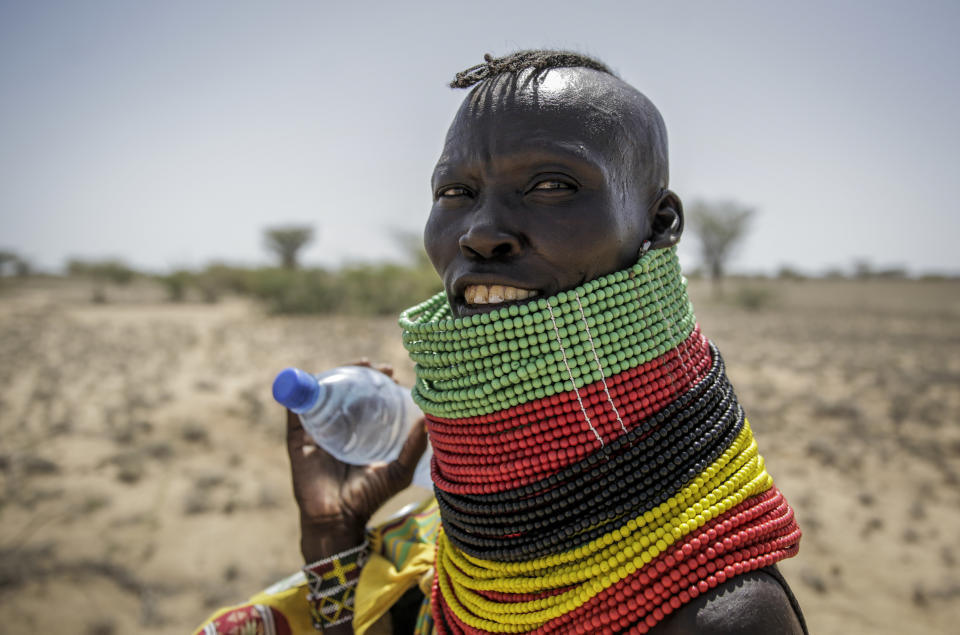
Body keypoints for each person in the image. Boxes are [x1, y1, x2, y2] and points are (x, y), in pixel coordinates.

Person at [195, 50, 806, 635]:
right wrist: (332, 536)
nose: (480, 234)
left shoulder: (722, 616)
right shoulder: (445, 544)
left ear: (659, 222)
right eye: (455, 194)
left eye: (551, 185)